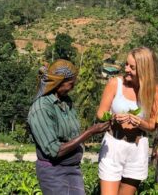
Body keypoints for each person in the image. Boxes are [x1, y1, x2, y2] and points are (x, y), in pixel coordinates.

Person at [28, 59, 110, 195]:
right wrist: (90, 132)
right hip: (54, 173)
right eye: (71, 84)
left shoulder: (66, 102)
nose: (73, 87)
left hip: (73, 169)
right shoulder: (41, 108)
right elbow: (54, 151)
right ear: (59, 83)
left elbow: (72, 135)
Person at [97, 47, 158, 195]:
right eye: (126, 64)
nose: (126, 69)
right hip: (113, 145)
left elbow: (152, 125)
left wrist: (138, 121)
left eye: (132, 67)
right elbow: (101, 113)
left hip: (137, 148)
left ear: (144, 69)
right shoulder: (115, 83)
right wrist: (112, 117)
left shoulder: (156, 91)